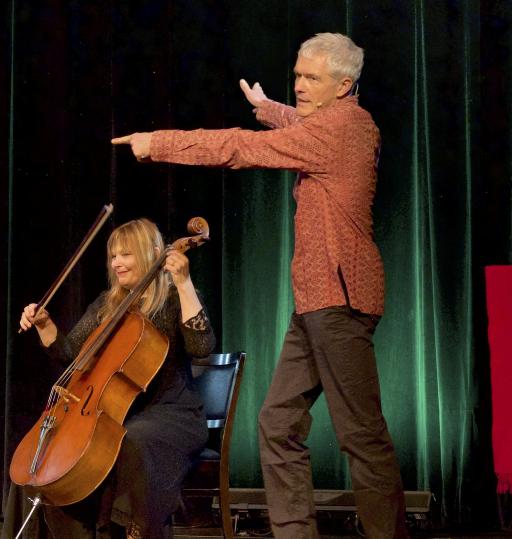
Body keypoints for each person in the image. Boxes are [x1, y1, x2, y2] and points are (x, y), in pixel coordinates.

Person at [110, 33, 407, 538]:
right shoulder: (338, 123)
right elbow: (298, 124)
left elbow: (241, 147)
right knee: (277, 425)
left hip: (339, 300)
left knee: (361, 434)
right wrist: (269, 106)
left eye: (312, 79)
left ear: (345, 85)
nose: (300, 86)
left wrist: (158, 144)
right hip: (315, 303)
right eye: (297, 75)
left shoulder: (343, 128)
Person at [3, 218, 215, 538]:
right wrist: (45, 325)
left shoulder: (173, 299)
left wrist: (183, 283)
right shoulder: (109, 304)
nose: (116, 262)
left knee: (130, 441)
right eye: (113, 255)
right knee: (45, 452)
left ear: (153, 253)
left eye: (126, 254)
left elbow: (202, 347)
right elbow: (72, 355)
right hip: (121, 414)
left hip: (172, 415)